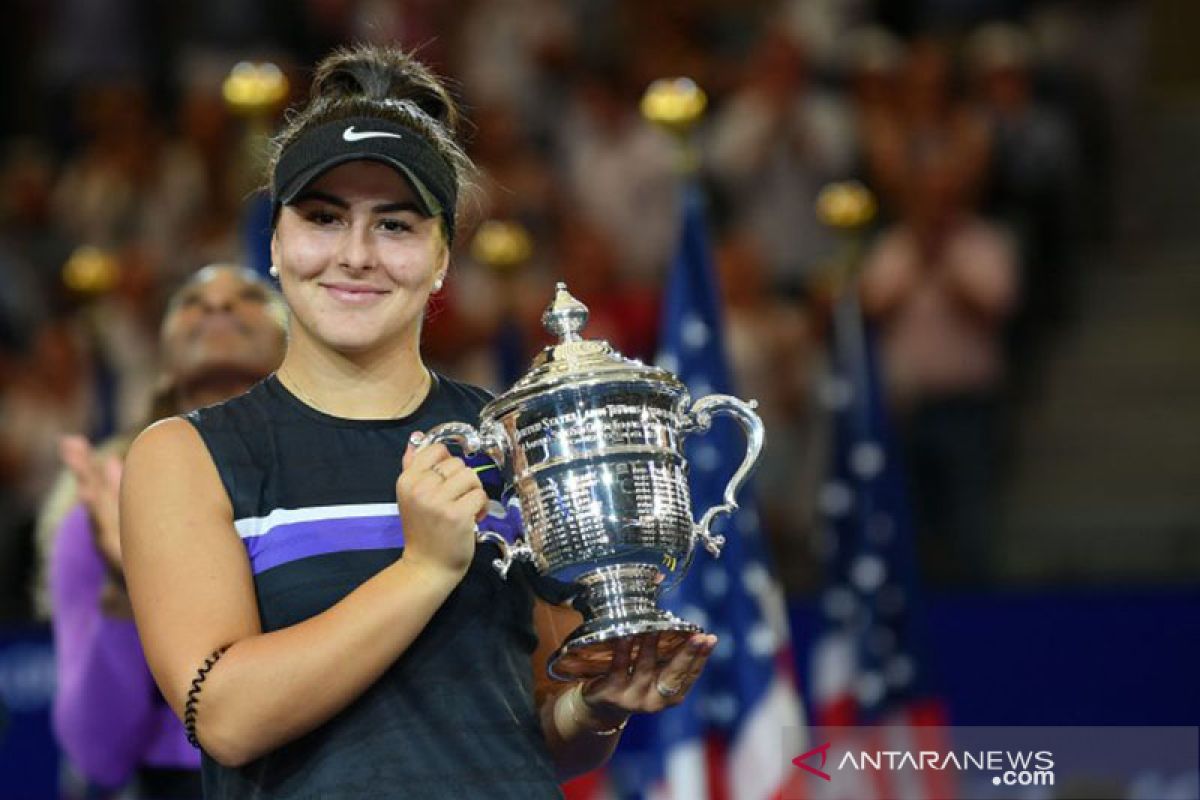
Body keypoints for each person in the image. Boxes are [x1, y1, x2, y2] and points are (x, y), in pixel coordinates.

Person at [119, 44, 716, 799]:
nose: (357, 254)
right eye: (324, 218)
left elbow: (537, 728)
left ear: (441, 258)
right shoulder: (188, 455)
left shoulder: (511, 435)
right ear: (275, 243)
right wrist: (424, 569)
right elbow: (226, 717)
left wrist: (594, 708)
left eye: (395, 225)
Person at [38, 264, 287, 799]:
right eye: (193, 301)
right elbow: (98, 757)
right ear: (165, 364)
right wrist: (123, 582)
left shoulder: (351, 480)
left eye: (247, 297)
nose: (218, 307)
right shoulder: (100, 506)